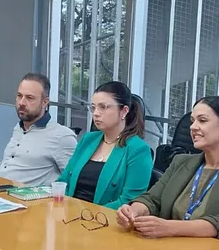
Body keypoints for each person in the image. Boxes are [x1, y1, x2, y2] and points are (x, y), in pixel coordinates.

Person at [117, 96, 219, 249]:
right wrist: (133, 211)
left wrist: (168, 228)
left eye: (202, 121)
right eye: (192, 121)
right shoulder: (180, 162)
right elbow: (152, 199)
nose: (193, 127)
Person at [55, 81, 153, 209]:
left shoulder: (138, 150)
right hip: (69, 214)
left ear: (124, 111)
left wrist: (88, 215)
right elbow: (64, 181)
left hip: (104, 220)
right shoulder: (88, 139)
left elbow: (130, 201)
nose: (95, 113)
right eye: (93, 107)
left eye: (103, 107)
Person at [0, 73, 77, 187]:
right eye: (19, 96)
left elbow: (74, 184)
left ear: (44, 102)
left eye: (29, 98)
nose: (21, 103)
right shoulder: (19, 128)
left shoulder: (62, 137)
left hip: (27, 200)